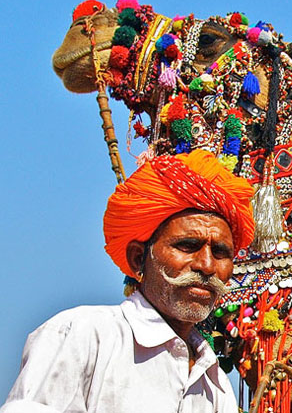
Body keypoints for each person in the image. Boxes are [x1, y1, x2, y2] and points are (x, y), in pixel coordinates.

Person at [1, 149, 255, 413]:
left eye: (221, 252)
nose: (206, 265)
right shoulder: (83, 335)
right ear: (137, 259)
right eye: (188, 246)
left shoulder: (215, 384)